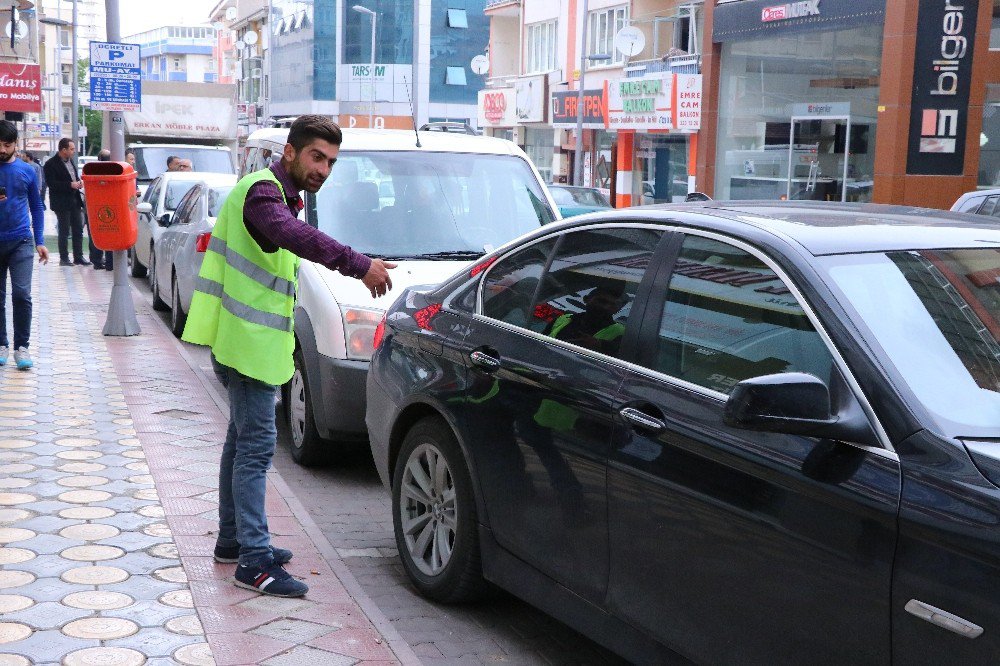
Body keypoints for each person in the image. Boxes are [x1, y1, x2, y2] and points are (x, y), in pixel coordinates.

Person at [182, 115, 395, 598]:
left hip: (251, 341)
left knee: (240, 444)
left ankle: (233, 541)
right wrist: (360, 265)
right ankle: (254, 562)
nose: (324, 169)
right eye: (317, 157)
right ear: (291, 153)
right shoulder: (264, 194)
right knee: (255, 450)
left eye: (331, 162)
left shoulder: (282, 195)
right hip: (247, 344)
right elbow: (293, 237)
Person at [0, 120, 48, 370]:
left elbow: (37, 207)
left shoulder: (27, 171)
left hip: (21, 240)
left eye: (6, 145)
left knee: (21, 294)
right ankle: (1, 344)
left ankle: (22, 346)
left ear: (15, 144)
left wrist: (40, 240)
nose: (1, 149)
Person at [44, 138, 89, 266]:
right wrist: (70, 185)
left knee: (78, 229)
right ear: (64, 150)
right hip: (61, 202)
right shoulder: (51, 164)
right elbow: (52, 184)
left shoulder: (71, 161)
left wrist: (78, 183)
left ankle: (78, 257)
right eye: (72, 149)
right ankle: (64, 258)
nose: (74, 151)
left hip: (75, 200)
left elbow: (74, 177)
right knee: (64, 231)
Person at [89, 149, 114, 270]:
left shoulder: (92, 170)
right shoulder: (113, 170)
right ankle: (109, 263)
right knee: (110, 232)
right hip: (111, 206)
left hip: (95, 206)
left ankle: (97, 261)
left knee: (96, 232)